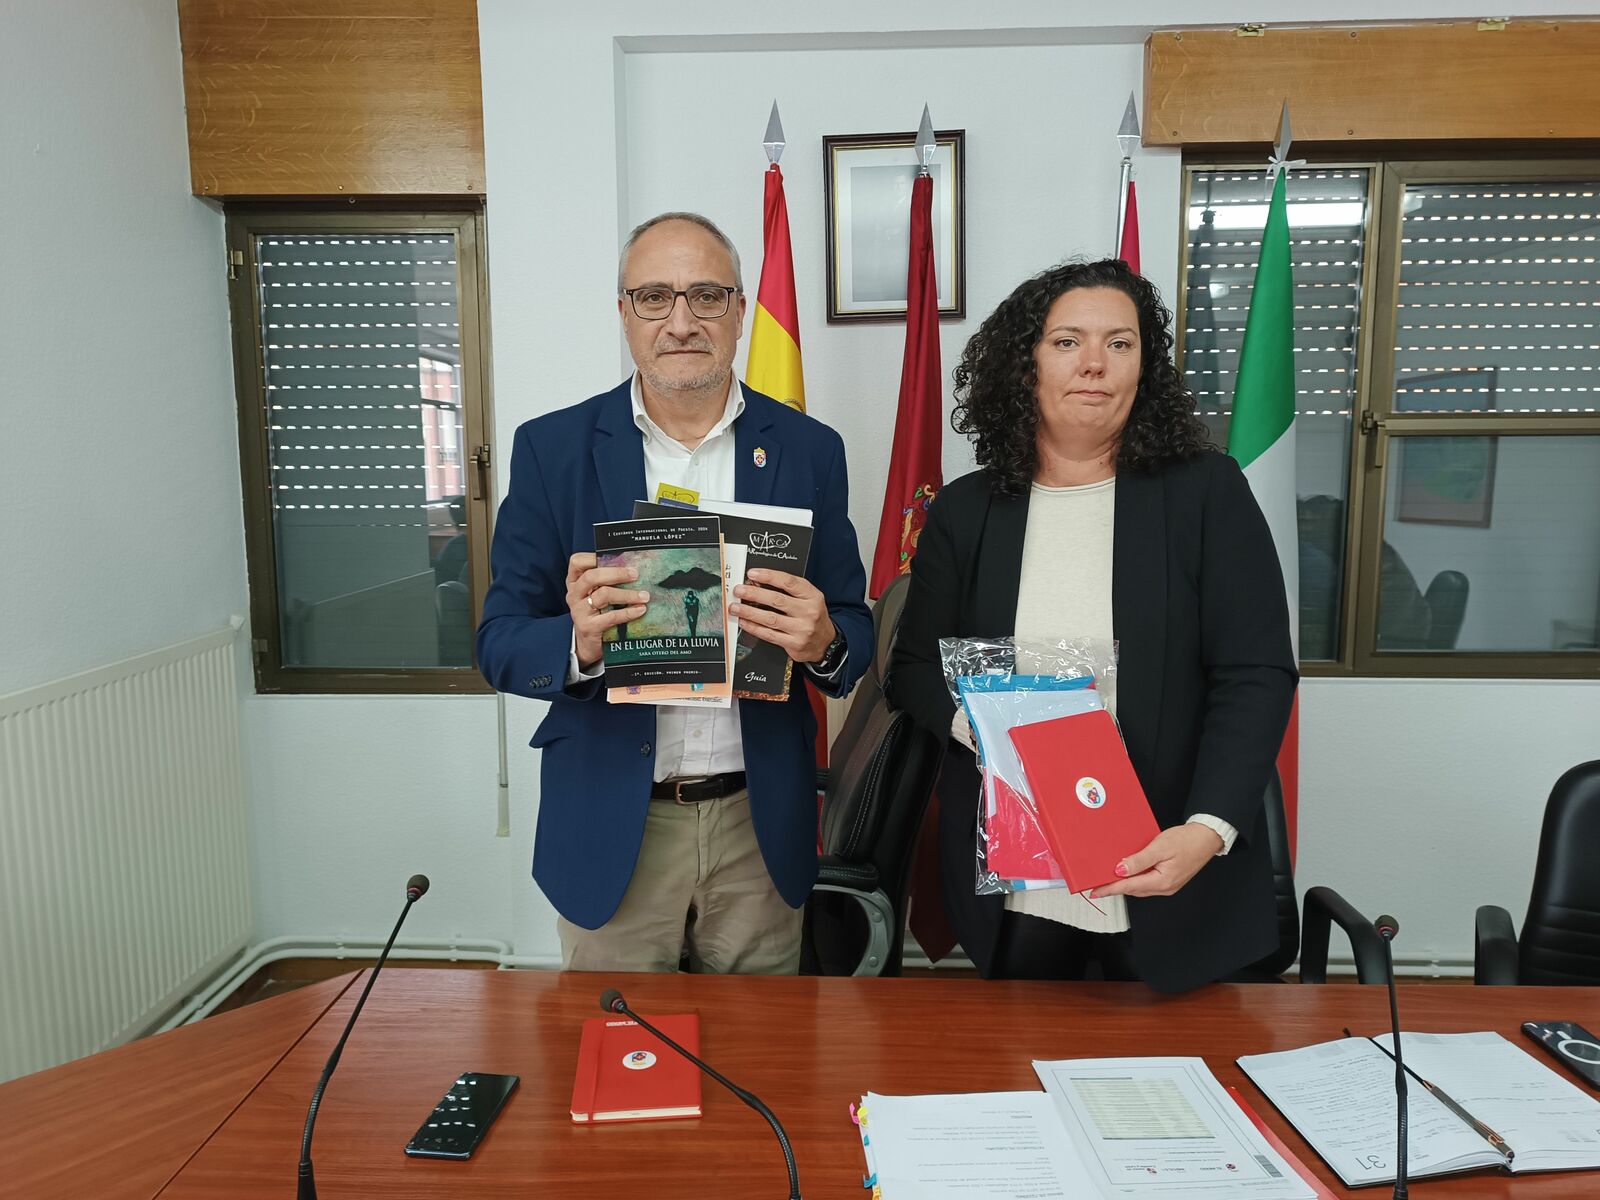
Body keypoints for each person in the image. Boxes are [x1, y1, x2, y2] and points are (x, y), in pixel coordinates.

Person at [477, 212, 872, 974]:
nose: (682, 321)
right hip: (611, 823)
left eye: (707, 296)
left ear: (741, 310)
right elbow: (497, 641)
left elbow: (851, 626)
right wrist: (578, 643)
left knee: (757, 1059)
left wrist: (825, 641)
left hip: (757, 825)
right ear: (623, 313)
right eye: (655, 297)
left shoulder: (809, 450)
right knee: (623, 1066)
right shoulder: (551, 449)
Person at [887, 259, 1296, 993]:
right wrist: (989, 727)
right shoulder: (968, 510)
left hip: (1168, 868)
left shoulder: (1205, 492)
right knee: (1019, 1080)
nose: (1095, 365)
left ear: (1146, 366)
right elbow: (914, 670)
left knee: (1173, 1092)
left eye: (1121, 343)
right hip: (1017, 876)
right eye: (1068, 341)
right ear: (1026, 364)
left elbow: (1256, 673)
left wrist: (1207, 831)